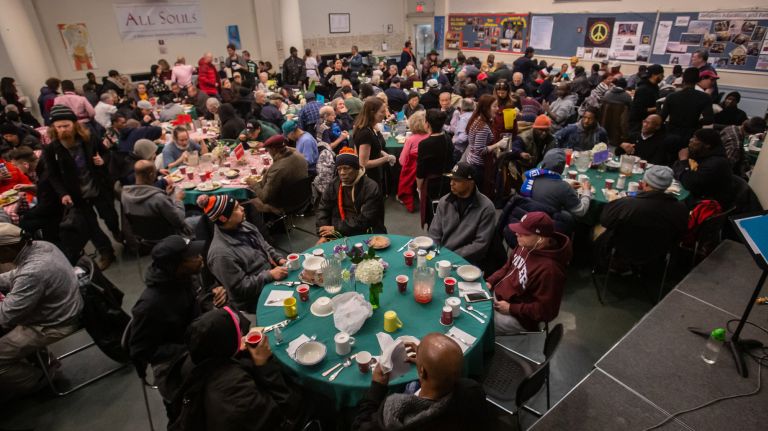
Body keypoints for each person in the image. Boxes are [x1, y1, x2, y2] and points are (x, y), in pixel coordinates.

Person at [128, 235, 226, 411]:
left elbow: (194, 303)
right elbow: (140, 350)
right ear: (176, 265)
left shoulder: (186, 277)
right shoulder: (150, 305)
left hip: (197, 342)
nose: (200, 257)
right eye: (192, 256)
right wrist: (189, 347)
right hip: (174, 365)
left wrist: (213, 294)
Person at [169, 307, 303, 431]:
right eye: (239, 333)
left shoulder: (198, 358)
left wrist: (238, 352)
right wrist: (264, 364)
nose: (243, 336)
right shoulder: (236, 390)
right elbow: (284, 410)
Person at [0, 224, 83, 402]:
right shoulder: (41, 246)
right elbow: (17, 275)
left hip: (54, 323)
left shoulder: (32, 271)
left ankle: (42, 380)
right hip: (61, 308)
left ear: (7, 249)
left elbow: (6, 315)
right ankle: (44, 363)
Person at [352, 333, 486, 431]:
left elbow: (360, 427)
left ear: (421, 371)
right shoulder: (473, 390)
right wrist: (426, 359)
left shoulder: (394, 415)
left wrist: (377, 388)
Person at [43, 105, 119, 269]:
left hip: (98, 187)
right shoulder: (51, 149)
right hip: (76, 194)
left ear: (75, 124)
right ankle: (106, 252)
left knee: (111, 217)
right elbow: (52, 175)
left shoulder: (89, 138)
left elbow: (106, 152)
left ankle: (117, 233)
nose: (63, 130)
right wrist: (63, 193)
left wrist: (102, 160)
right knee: (91, 226)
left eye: (66, 125)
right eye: (58, 127)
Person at [488, 212, 571, 334]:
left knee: (479, 324)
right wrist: (490, 281)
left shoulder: (550, 271)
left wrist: (511, 308)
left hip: (518, 317)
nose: (517, 234)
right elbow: (508, 267)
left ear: (541, 239)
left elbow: (547, 311)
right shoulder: (525, 245)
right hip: (499, 297)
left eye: (524, 233)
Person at [203, 195, 287, 311]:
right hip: (255, 300)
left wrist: (278, 259)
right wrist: (270, 275)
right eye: (236, 208)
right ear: (223, 218)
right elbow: (240, 289)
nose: (242, 208)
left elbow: (263, 244)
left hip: (270, 279)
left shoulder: (243, 224)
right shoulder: (220, 254)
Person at [597, 166, 688, 265]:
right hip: (658, 255)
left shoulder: (628, 205)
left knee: (597, 229)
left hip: (624, 251)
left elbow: (605, 221)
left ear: (645, 183)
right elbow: (680, 233)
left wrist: (614, 204)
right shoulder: (681, 208)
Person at [428, 162, 496, 267]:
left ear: (471, 182)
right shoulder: (444, 201)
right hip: (441, 255)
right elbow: (434, 233)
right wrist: (435, 252)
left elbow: (480, 245)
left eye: (457, 180)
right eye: (451, 179)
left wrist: (451, 257)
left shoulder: (486, 208)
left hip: (467, 262)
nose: (451, 183)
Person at [316, 149, 386, 242]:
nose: (342, 172)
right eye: (339, 169)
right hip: (338, 229)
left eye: (346, 168)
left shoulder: (370, 187)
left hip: (365, 231)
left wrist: (336, 228)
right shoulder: (334, 184)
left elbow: (366, 220)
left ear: (357, 168)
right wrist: (324, 234)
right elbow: (323, 209)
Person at [122, 160, 191, 236]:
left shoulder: (125, 195)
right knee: (197, 216)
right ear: (151, 175)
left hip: (143, 236)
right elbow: (179, 221)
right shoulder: (158, 198)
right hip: (168, 236)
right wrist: (178, 200)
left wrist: (166, 194)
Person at [418, 110, 461, 226]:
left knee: (433, 214)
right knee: (446, 211)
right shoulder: (447, 138)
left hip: (431, 183)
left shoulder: (424, 144)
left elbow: (420, 172)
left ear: (427, 124)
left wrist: (419, 188)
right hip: (447, 180)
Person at [673, 128, 733, 207]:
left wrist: (684, 161)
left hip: (707, 203)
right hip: (695, 195)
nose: (691, 140)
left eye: (696, 139)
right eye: (692, 137)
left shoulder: (717, 163)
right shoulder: (700, 154)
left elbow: (689, 184)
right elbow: (675, 171)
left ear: (707, 145)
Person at [660, 67, 714, 150]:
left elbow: (662, 117)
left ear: (683, 79)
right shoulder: (705, 97)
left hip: (671, 133)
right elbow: (709, 120)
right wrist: (697, 122)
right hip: (692, 135)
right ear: (698, 80)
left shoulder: (671, 96)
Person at [465, 94, 506, 192]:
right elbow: (480, 150)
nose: (497, 109)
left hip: (473, 162)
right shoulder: (483, 126)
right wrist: (498, 144)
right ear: (486, 108)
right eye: (494, 106)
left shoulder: (477, 119)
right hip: (478, 167)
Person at [352, 97, 396, 188]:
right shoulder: (365, 133)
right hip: (369, 179)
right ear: (372, 113)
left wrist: (383, 153)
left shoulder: (369, 128)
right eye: (382, 112)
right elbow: (363, 163)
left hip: (373, 176)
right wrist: (386, 158)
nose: (385, 114)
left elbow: (373, 148)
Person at [397, 111, 429, 212]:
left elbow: (402, 161)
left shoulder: (410, 139)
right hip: (429, 169)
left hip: (412, 171)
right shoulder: (431, 136)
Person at [629, 64, 664, 133]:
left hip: (648, 122)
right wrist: (658, 107)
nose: (662, 77)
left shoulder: (654, 87)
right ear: (654, 75)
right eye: (661, 75)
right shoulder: (643, 89)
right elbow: (640, 110)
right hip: (639, 125)